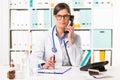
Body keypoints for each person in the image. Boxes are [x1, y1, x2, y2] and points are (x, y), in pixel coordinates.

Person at [29, 3, 82, 69]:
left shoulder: (76, 37)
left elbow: (77, 63)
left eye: (65, 16)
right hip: (51, 74)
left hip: (69, 75)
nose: (62, 19)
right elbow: (34, 58)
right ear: (55, 17)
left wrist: (70, 40)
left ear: (70, 18)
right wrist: (44, 64)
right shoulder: (44, 36)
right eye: (59, 16)